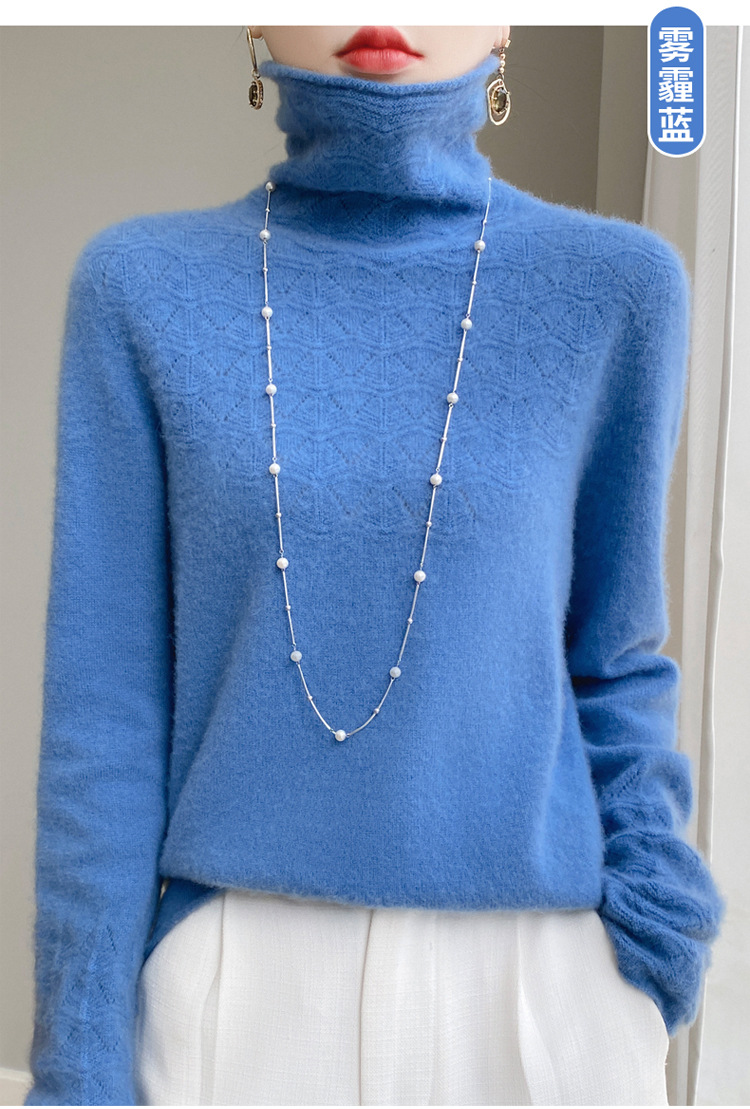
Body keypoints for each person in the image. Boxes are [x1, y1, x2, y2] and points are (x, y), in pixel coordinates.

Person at [24, 25, 726, 1107]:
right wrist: (78, 1067)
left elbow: (617, 656)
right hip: (233, 997)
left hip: (544, 990)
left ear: (506, 21)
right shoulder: (141, 289)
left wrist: (654, 940)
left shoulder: (618, 290)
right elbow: (104, 715)